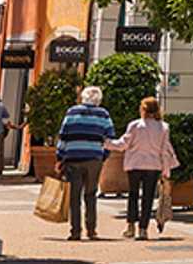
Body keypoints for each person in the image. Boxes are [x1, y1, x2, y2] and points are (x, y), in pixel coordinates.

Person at [111, 94, 179, 239]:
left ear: (143, 109)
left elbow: (123, 144)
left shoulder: (135, 125)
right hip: (153, 166)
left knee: (133, 195)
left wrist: (105, 142)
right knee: (148, 198)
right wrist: (166, 170)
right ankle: (143, 229)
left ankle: (130, 227)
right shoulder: (163, 127)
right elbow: (164, 150)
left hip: (134, 165)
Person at [55, 85, 115, 241]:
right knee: (91, 194)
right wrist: (103, 155)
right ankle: (91, 230)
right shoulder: (103, 115)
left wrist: (59, 158)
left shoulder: (72, 112)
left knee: (74, 197)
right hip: (94, 159)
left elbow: (63, 137)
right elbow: (110, 138)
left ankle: (75, 231)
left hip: (73, 158)